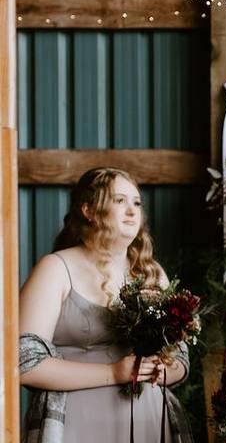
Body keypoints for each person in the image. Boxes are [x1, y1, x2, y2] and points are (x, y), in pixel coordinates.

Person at [18, 167, 191, 442]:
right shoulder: (55, 269)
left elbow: (181, 357)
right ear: (88, 210)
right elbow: (22, 363)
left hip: (149, 422)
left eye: (136, 203)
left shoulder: (152, 274)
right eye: (120, 201)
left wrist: (163, 369)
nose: (132, 211)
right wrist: (113, 373)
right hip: (76, 424)